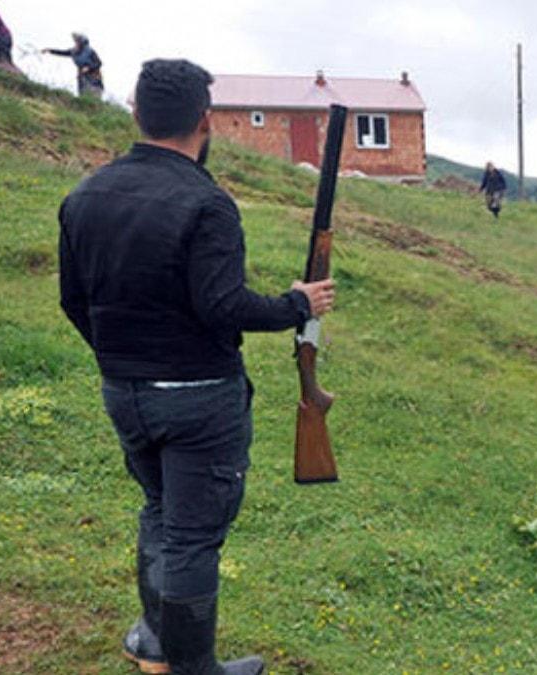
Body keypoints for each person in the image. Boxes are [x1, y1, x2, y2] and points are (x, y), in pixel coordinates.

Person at [59, 59, 336, 674]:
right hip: (199, 401)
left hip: (123, 392)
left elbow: (73, 302)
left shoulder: (84, 196)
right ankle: (193, 669)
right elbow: (222, 308)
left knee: (159, 511)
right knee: (190, 536)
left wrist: (123, 359)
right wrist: (298, 304)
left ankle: (155, 643)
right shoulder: (206, 203)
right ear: (205, 121)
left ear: (135, 111)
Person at [45, 32, 104, 99]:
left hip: (94, 78)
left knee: (94, 96)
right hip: (82, 76)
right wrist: (49, 50)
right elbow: (62, 52)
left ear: (82, 42)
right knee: (83, 95)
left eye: (78, 41)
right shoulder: (73, 51)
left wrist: (89, 68)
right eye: (75, 41)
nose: (76, 43)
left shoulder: (90, 51)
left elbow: (99, 63)